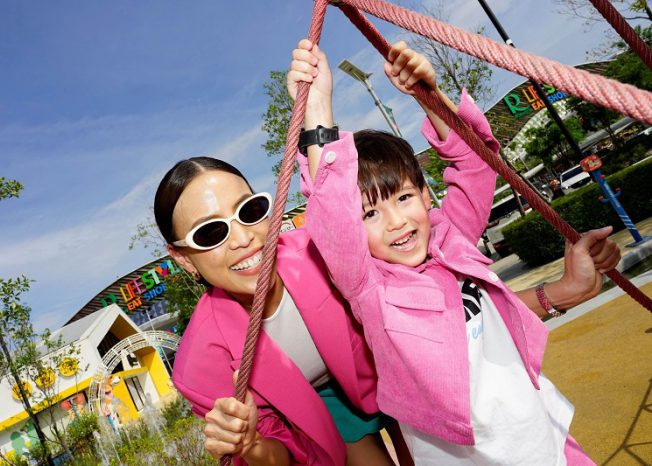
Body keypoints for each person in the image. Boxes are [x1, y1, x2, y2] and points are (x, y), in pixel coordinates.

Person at [288, 38, 621, 465]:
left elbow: (475, 164)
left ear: (425, 195)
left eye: (403, 198)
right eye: (369, 214)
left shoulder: (450, 238)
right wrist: (317, 109)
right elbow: (332, 216)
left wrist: (428, 95)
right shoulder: (370, 288)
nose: (396, 221)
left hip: (545, 440)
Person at [154, 158, 412, 465]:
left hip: (389, 368)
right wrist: (252, 445)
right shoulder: (200, 366)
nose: (243, 239)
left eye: (249, 211)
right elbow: (281, 458)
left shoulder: (325, 249)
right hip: (321, 412)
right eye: (210, 233)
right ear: (183, 258)